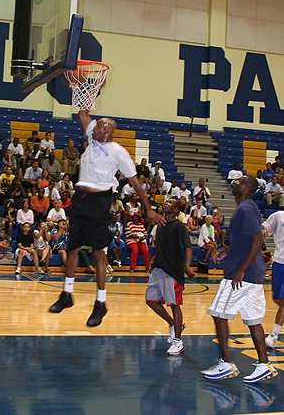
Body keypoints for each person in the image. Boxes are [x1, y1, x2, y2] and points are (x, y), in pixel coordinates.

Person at [49, 109, 165, 327]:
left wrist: (148, 208)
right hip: (80, 198)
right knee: (73, 248)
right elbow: (82, 115)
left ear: (108, 131)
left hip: (100, 201)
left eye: (100, 126)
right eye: (96, 125)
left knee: (98, 252)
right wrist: (80, 87)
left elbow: (135, 182)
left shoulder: (119, 152)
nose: (95, 128)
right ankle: (67, 294)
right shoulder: (93, 139)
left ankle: (100, 303)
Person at [201, 175, 278, 384]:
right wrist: (227, 249)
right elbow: (247, 240)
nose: (234, 181)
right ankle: (263, 364)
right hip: (253, 276)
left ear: (245, 187)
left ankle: (226, 363)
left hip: (241, 275)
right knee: (254, 321)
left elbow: (258, 239)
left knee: (219, 315)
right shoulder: (248, 207)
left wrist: (241, 269)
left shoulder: (245, 208)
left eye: (239, 180)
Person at [146, 198, 195, 355]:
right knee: (151, 300)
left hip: (172, 271)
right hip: (158, 269)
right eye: (166, 201)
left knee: (174, 305)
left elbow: (188, 247)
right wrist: (153, 260)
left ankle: (178, 342)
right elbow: (161, 247)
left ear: (176, 210)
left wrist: (187, 266)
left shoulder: (180, 226)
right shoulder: (160, 225)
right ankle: (174, 324)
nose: (166, 203)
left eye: (171, 202)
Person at [262, 210, 284, 349]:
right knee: (276, 298)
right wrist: (264, 232)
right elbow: (265, 229)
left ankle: (273, 334)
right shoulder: (278, 216)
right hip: (278, 262)